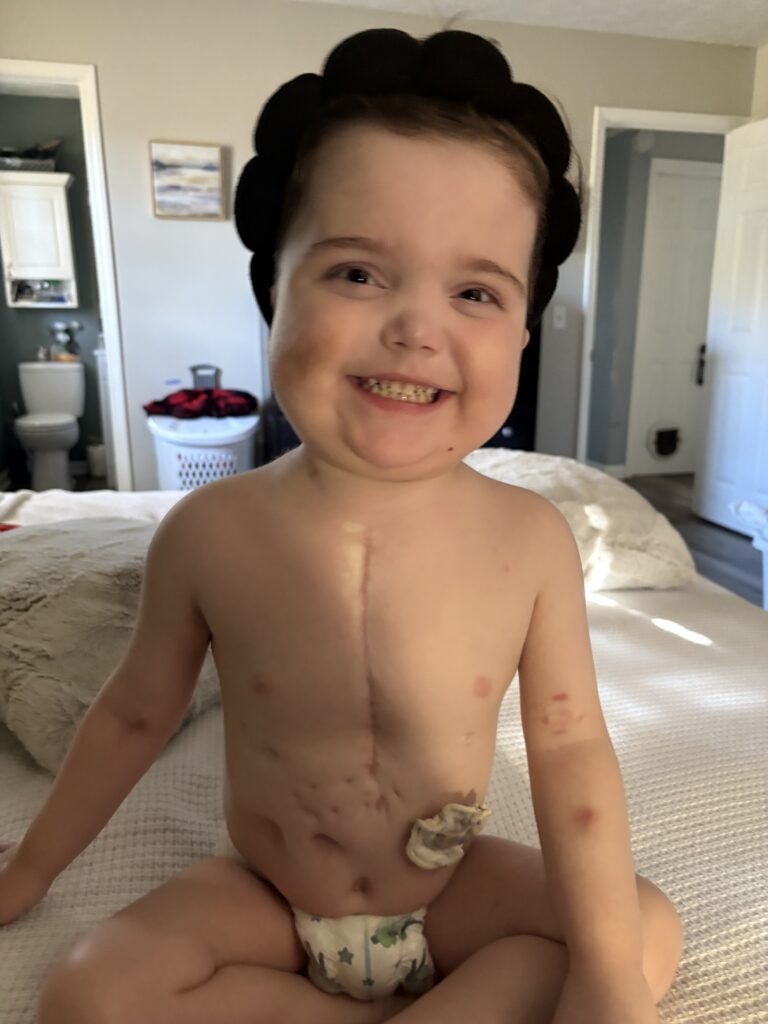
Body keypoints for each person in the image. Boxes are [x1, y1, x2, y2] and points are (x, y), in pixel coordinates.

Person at [0, 26, 683, 1024]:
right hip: (268, 899)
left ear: (523, 330)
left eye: (476, 291)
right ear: (272, 291)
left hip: (451, 892)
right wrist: (28, 867)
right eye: (359, 273)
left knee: (640, 932)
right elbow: (134, 714)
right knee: (89, 994)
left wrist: (606, 978)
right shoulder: (210, 531)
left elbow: (572, 748)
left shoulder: (530, 540)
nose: (416, 328)